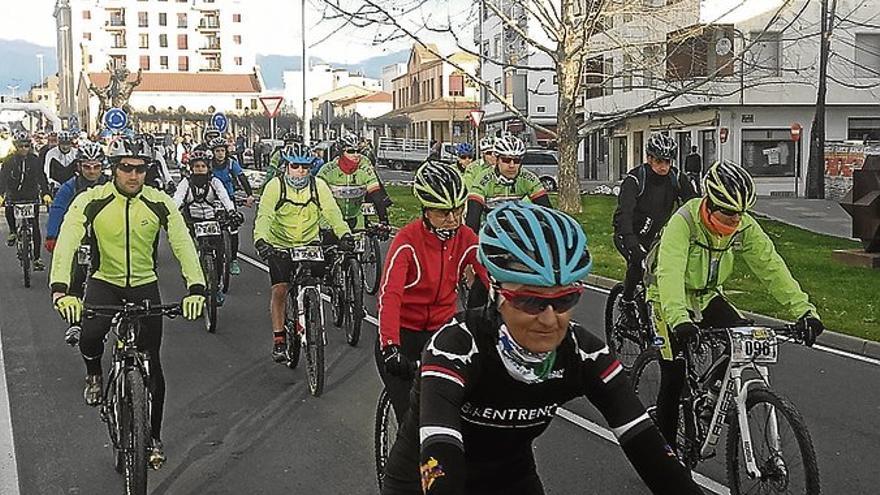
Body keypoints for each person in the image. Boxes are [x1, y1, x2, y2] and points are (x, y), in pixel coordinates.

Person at [380, 202, 705, 495]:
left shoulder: (583, 353)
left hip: (511, 478)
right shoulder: (455, 347)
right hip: (425, 479)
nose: (550, 319)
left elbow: (649, 448)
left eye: (565, 299)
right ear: (495, 291)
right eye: (530, 300)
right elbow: (441, 448)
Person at [645, 160, 826, 451]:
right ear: (709, 204)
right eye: (728, 215)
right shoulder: (684, 222)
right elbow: (669, 273)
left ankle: (712, 397)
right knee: (674, 374)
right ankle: (666, 461)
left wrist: (804, 311)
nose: (734, 223)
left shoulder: (743, 226)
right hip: (667, 299)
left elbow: (771, 267)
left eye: (739, 216)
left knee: (743, 339)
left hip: (706, 297)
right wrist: (679, 320)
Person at [49, 135, 206, 469]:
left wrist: (196, 287)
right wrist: (62, 290)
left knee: (153, 364)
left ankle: (153, 437)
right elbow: (67, 241)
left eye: (140, 169)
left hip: (144, 287)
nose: (134, 176)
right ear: (113, 169)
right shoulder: (92, 200)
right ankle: (94, 373)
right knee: (90, 337)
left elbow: (182, 243)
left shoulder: (159, 202)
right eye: (126, 168)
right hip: (104, 283)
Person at [377, 161, 488, 422]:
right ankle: (406, 460)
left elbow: (492, 277)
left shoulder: (466, 236)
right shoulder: (407, 242)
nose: (452, 219)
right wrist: (390, 347)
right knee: (412, 421)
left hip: (441, 331)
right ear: (426, 211)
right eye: (443, 212)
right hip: (403, 334)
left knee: (461, 411)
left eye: (457, 210)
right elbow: (390, 296)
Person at [253, 144, 354, 362]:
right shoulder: (275, 186)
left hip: (310, 243)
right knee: (280, 289)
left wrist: (344, 234)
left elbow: (332, 212)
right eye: (295, 166)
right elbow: (264, 216)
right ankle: (280, 339)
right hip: (280, 244)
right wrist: (261, 240)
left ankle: (312, 316)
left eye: (306, 167)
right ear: (286, 166)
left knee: (318, 279)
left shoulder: (318, 186)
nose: (301, 171)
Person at [612, 132, 696, 328]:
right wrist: (633, 245)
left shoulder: (676, 178)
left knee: (668, 271)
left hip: (655, 236)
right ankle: (626, 302)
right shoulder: (635, 179)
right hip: (628, 233)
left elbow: (693, 205)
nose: (663, 166)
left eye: (667, 161)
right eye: (658, 161)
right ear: (649, 158)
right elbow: (625, 214)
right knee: (638, 265)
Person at [45, 141, 111, 343]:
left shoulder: (111, 185)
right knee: (77, 277)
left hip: (108, 238)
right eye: (87, 167)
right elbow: (58, 209)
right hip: (80, 239)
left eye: (96, 167)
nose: (92, 171)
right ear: (79, 167)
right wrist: (52, 235)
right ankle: (74, 324)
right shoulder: (70, 187)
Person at [172, 149, 240, 305]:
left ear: (208, 167)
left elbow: (224, 196)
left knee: (219, 253)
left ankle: (216, 286)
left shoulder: (215, 182)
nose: (200, 169)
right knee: (189, 253)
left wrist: (231, 211)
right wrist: (172, 213)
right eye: (197, 166)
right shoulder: (185, 183)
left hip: (211, 220)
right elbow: (177, 198)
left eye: (203, 166)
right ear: (191, 168)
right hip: (191, 221)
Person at [465, 134, 550, 233]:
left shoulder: (528, 178)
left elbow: (547, 211)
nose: (512, 165)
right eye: (506, 160)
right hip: (491, 227)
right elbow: (473, 219)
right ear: (497, 160)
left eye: (517, 160)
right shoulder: (483, 179)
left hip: (518, 226)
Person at [317, 133, 391, 231]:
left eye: (358, 151)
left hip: (356, 217)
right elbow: (315, 196)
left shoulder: (365, 169)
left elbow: (376, 195)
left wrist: (384, 221)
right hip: (330, 219)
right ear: (341, 153)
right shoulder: (327, 170)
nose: (356, 155)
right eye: (351, 151)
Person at [0, 131, 52, 269]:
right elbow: (3, 179)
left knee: (35, 225)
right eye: (21, 146)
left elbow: (42, 177)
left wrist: (46, 193)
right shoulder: (9, 160)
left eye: (26, 146)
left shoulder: (35, 159)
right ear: (16, 146)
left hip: (31, 194)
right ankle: (12, 231)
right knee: (9, 207)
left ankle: (37, 258)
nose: (24, 149)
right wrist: (0, 195)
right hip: (14, 194)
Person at [208, 136, 255, 276]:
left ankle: (233, 260)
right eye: (217, 151)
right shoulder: (208, 164)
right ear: (213, 152)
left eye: (222, 150)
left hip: (229, 198)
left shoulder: (231, 163)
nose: (220, 153)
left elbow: (242, 178)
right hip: (211, 198)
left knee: (233, 228)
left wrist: (249, 194)